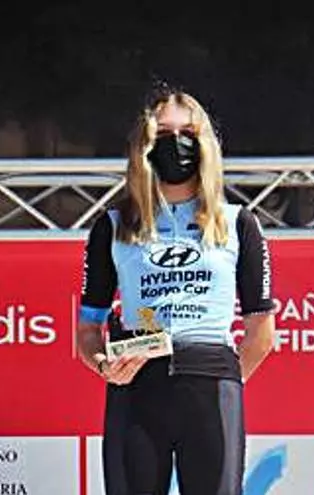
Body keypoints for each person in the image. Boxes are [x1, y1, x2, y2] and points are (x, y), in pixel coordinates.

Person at [76, 88, 276, 495]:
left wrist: (222, 379)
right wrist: (104, 365)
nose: (177, 143)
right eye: (164, 133)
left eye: (188, 133)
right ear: (144, 145)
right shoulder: (113, 226)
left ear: (206, 145)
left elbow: (261, 332)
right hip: (137, 384)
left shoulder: (238, 223)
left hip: (211, 382)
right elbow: (87, 329)